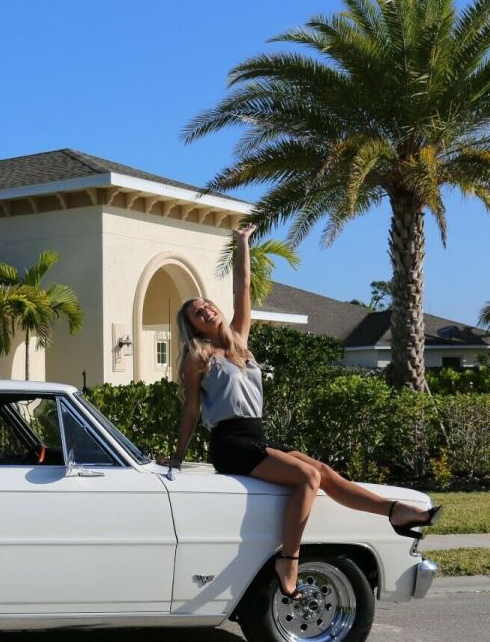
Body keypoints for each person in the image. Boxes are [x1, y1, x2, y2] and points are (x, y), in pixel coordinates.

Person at [159, 224, 441, 598]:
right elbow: (192, 411)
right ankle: (288, 559)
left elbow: (242, 286)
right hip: (231, 444)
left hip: (255, 436)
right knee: (307, 477)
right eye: (197, 313)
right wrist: (176, 459)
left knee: (321, 471)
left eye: (206, 305)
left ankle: (394, 511)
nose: (206, 310)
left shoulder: (239, 342)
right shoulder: (197, 357)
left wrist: (244, 243)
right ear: (192, 325)